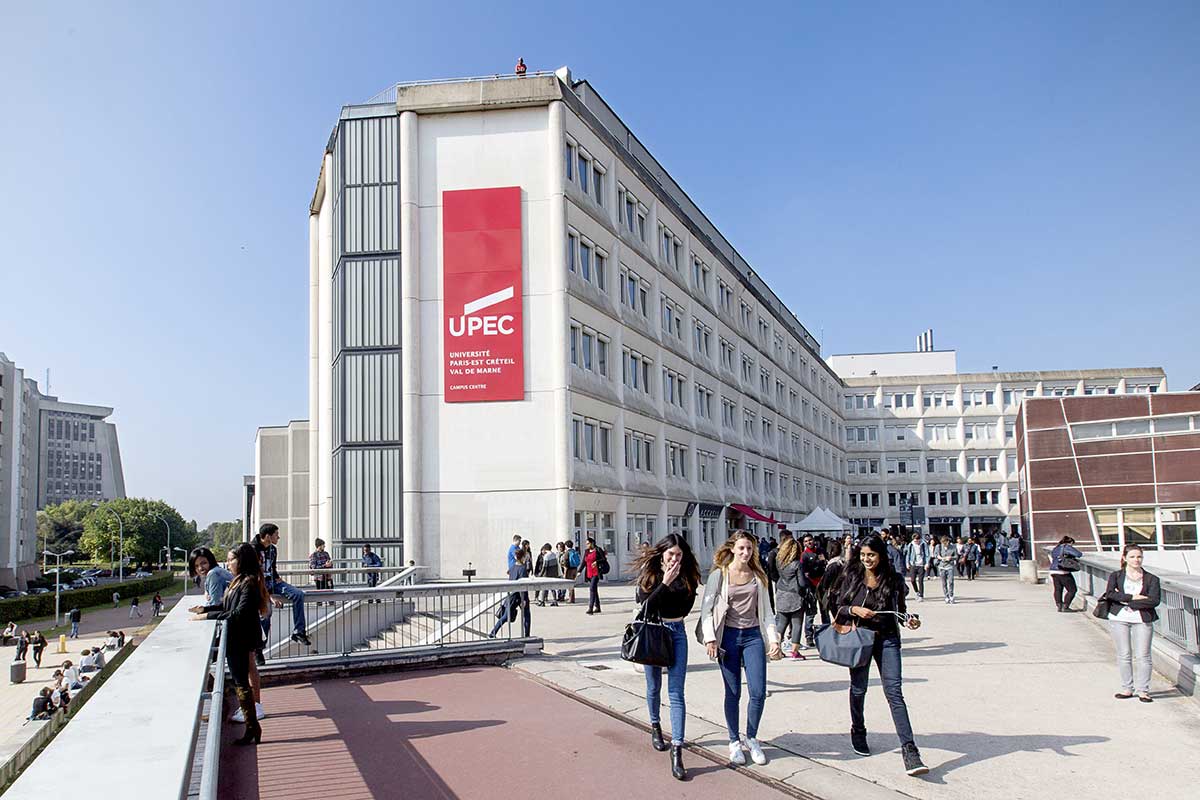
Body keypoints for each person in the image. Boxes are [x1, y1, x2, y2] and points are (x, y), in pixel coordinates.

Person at [832, 533, 928, 776]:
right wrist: (854, 609)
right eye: (863, 555)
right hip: (860, 639)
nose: (866, 559)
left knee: (894, 692)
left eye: (871, 555)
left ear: (881, 555)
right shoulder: (852, 576)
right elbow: (838, 606)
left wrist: (910, 620)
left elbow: (901, 611)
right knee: (858, 688)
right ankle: (858, 729)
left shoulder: (894, 579)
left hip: (887, 639)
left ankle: (909, 750)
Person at [700, 531, 782, 767]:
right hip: (728, 637)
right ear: (733, 549)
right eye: (742, 548)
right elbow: (707, 610)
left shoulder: (758, 576)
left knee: (758, 691)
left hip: (753, 636)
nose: (746, 553)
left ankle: (752, 737)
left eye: (750, 549)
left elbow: (767, 612)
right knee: (733, 692)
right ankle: (734, 740)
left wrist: (773, 639)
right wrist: (709, 639)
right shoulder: (720, 575)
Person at [634, 533, 702, 781]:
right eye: (671, 554)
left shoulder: (687, 578)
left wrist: (676, 582)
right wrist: (664, 583)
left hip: (677, 633)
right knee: (654, 687)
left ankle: (677, 748)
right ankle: (654, 725)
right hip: (653, 632)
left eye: (679, 555)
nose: (674, 558)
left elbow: (684, 608)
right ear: (662, 554)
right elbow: (647, 607)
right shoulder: (650, 576)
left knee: (676, 692)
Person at [190, 542, 269, 745]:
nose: (228, 563)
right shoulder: (239, 581)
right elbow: (227, 605)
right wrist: (205, 610)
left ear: (241, 561)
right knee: (240, 681)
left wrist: (208, 617)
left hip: (241, 639)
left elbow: (238, 614)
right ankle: (252, 728)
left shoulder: (248, 583)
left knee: (241, 683)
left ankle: (252, 728)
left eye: (232, 559)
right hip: (236, 638)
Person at [1094, 544, 1161, 702]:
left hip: (1142, 619)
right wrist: (1133, 597)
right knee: (1124, 654)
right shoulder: (1116, 576)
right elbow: (1110, 594)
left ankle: (1143, 691)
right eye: (1132, 557)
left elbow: (1154, 600)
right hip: (1119, 618)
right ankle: (1127, 688)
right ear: (1125, 558)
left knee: (1143, 656)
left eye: (1139, 557)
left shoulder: (1152, 578)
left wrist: (1125, 600)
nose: (1136, 560)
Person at [254, 524, 311, 647]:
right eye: (276, 535)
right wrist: (269, 596)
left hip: (272, 581)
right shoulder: (253, 549)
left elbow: (272, 567)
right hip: (257, 585)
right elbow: (254, 577)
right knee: (266, 613)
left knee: (298, 594)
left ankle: (299, 631)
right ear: (268, 536)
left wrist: (278, 578)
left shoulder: (272, 549)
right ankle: (259, 645)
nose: (278, 537)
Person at [772, 537, 807, 660]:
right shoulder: (797, 564)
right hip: (795, 595)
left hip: (781, 593)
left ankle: (777, 649)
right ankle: (794, 652)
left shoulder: (779, 563)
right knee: (796, 624)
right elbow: (802, 583)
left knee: (781, 623)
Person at [488, 547, 531, 637]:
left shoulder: (512, 567)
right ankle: (526, 634)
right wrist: (524, 598)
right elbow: (523, 584)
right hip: (519, 596)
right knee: (526, 615)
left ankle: (493, 632)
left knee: (506, 616)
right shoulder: (522, 569)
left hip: (511, 594)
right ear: (523, 557)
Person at [799, 534, 828, 647]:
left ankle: (827, 632)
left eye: (810, 540)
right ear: (804, 543)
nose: (809, 542)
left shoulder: (820, 551)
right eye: (806, 541)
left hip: (822, 585)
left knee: (824, 610)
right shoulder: (804, 555)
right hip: (811, 586)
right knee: (811, 612)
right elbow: (804, 572)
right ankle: (809, 636)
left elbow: (825, 563)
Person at [1048, 536, 1083, 612]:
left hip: (1053, 571)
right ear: (1070, 542)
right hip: (1062, 571)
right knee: (1072, 590)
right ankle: (1065, 606)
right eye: (1072, 544)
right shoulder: (1066, 547)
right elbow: (1078, 554)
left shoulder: (1056, 548)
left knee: (1058, 589)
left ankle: (1059, 606)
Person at [903, 532, 928, 601]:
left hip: (921, 564)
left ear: (919, 539)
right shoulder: (911, 545)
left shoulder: (923, 544)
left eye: (917, 540)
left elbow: (927, 554)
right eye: (915, 540)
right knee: (912, 580)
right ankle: (917, 592)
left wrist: (926, 564)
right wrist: (907, 563)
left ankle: (921, 595)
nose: (916, 542)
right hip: (913, 564)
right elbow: (908, 554)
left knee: (920, 580)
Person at [932, 535, 957, 604]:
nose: (945, 544)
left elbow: (956, 556)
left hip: (950, 566)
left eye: (946, 542)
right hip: (941, 566)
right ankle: (946, 596)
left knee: (951, 581)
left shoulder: (953, 547)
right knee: (944, 582)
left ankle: (951, 595)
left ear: (948, 541)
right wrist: (940, 558)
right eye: (943, 543)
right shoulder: (938, 546)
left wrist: (951, 557)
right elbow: (935, 555)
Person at [583, 538, 604, 615]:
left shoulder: (598, 550)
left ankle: (590, 608)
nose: (587, 545)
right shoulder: (587, 551)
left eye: (588, 543)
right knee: (594, 589)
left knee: (592, 588)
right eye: (586, 544)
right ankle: (598, 607)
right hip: (589, 573)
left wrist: (596, 562)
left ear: (592, 543)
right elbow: (584, 562)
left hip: (596, 572)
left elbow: (603, 559)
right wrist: (579, 571)